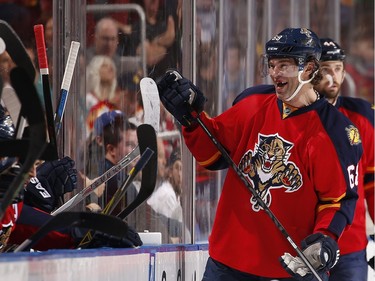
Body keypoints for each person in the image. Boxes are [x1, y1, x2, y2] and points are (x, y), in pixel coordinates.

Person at [157, 28, 363, 280]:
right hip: (227, 262)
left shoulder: (335, 131)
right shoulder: (252, 103)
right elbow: (212, 156)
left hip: (292, 269)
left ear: (309, 69)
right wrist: (192, 120)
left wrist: (325, 240)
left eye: (284, 65)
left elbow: (337, 200)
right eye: (272, 64)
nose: (275, 72)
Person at [314, 38, 374, 281]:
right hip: (306, 245)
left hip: (350, 244)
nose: (333, 77)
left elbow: (371, 179)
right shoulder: (294, 116)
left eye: (338, 69)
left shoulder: (361, 115)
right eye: (326, 69)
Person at [147, 148, 186, 243]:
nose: (181, 174)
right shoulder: (167, 195)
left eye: (183, 169)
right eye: (177, 168)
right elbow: (166, 232)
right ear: (170, 172)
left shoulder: (174, 193)